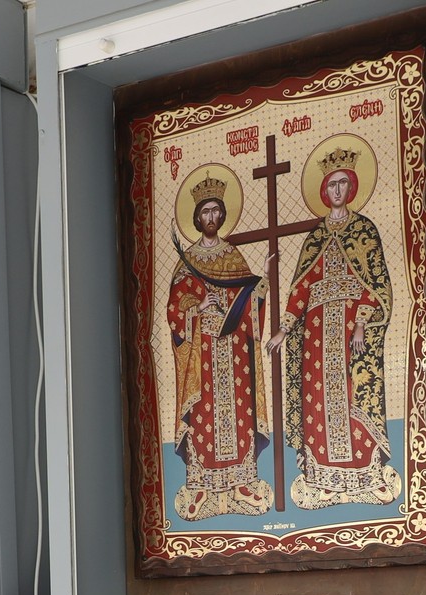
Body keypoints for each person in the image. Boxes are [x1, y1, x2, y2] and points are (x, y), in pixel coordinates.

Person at [267, 144, 399, 508]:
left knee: (353, 396)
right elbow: (302, 288)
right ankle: (323, 477)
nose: (337, 190)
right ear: (324, 191)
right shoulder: (316, 238)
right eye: (332, 185)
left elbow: (377, 286)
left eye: (343, 183)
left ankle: (363, 475)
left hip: (349, 330)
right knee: (318, 401)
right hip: (316, 332)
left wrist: (360, 323)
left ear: (352, 186)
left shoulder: (364, 230)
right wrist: (284, 328)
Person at [167, 172, 270, 520]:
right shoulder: (188, 261)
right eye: (205, 212)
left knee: (238, 412)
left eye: (216, 211)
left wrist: (263, 284)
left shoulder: (233, 256)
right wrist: (198, 307)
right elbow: (174, 309)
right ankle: (202, 483)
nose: (211, 217)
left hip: (235, 348)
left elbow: (248, 298)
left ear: (222, 215)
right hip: (203, 351)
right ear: (197, 218)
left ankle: (242, 482)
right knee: (204, 413)